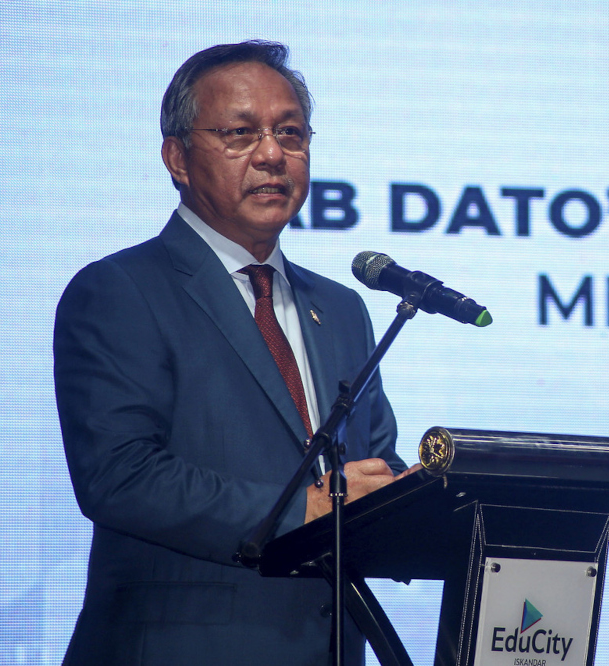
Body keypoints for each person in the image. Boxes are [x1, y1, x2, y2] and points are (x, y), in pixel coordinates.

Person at [54, 40, 413, 665]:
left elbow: (370, 469)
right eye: (240, 134)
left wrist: (431, 502)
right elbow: (121, 477)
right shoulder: (119, 290)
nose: (272, 154)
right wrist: (307, 507)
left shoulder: (343, 310)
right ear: (177, 157)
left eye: (291, 133)